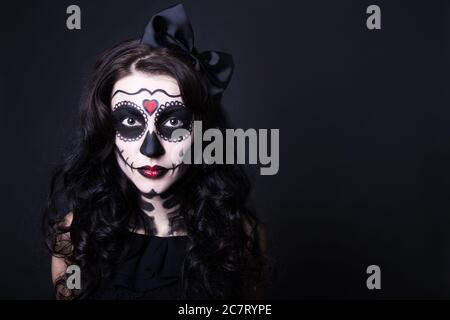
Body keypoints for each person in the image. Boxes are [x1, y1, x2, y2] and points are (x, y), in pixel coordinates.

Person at [43, 4, 267, 300]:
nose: (151, 149)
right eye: (130, 121)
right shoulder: (75, 236)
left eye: (174, 121)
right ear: (107, 129)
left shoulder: (241, 236)